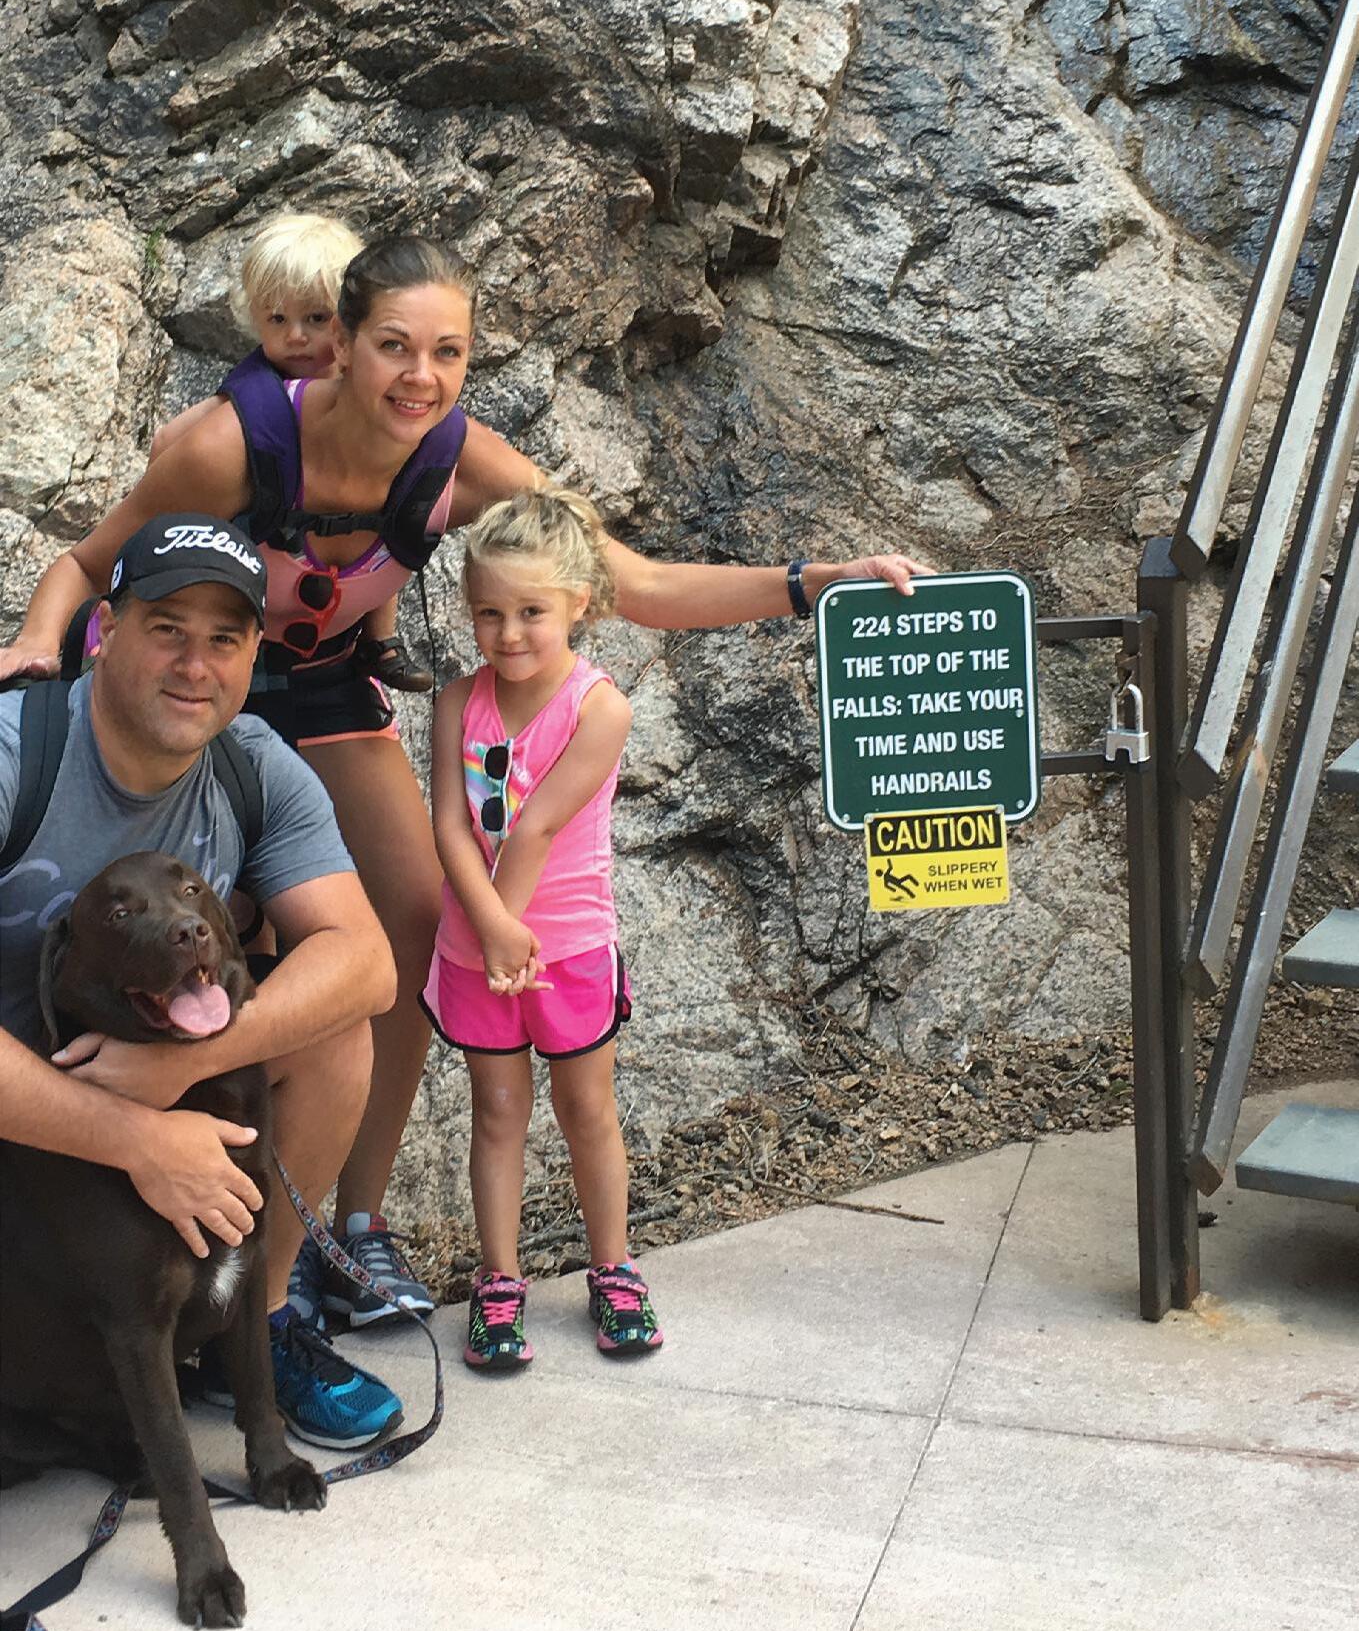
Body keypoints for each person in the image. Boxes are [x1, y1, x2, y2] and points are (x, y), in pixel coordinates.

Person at [0, 232, 930, 1334]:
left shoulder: (456, 460)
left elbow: (630, 582)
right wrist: (38, 648)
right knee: (192, 930)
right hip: (199, 697)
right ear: (340, 343)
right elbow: (89, 560)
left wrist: (809, 584)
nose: (421, 375)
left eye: (448, 351)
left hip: (321, 690)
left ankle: (352, 1230)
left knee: (416, 920)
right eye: (395, 345)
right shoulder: (227, 444)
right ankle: (162, 1225)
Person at [0, 514, 406, 1450]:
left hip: (141, 1065)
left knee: (331, 1025)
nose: (195, 665)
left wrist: (181, 1067)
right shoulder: (16, 757)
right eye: (167, 629)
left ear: (254, 654)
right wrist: (135, 1136)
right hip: (19, 1104)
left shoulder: (252, 765)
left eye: (224, 639)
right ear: (105, 631)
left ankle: (251, 1324)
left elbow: (365, 961)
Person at [429, 488, 657, 1367]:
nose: (509, 633)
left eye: (531, 611)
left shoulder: (600, 709)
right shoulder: (457, 702)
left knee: (585, 1108)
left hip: (565, 947)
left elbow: (536, 828)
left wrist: (506, 932)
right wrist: (487, 931)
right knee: (496, 1112)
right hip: (476, 947)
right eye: (489, 613)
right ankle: (498, 1279)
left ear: (578, 604)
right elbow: (451, 827)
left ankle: (613, 1268)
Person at [151, 211, 430, 693]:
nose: (296, 336)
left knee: (391, 514)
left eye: (316, 318)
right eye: (277, 319)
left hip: (358, 557)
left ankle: (380, 636)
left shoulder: (370, 389)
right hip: (265, 558)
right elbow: (165, 442)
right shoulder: (252, 400)